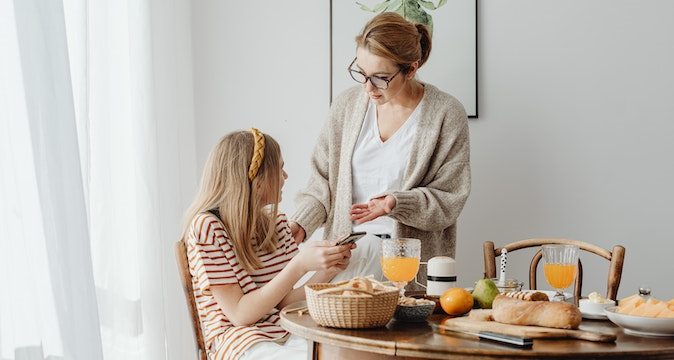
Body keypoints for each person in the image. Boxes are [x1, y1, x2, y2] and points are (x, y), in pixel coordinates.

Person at [290, 12, 471, 285]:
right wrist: (301, 224)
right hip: (346, 257)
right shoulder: (346, 107)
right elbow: (322, 182)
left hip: (407, 268)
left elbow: (449, 199)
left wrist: (397, 203)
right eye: (361, 73)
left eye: (380, 78)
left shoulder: (446, 113)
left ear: (411, 69)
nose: (367, 88)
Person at [181, 129, 355, 360]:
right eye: (279, 169)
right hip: (240, 341)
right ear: (256, 178)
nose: (285, 176)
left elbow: (284, 303)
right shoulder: (208, 227)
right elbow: (240, 315)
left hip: (286, 330)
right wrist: (299, 266)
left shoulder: (276, 225)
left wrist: (328, 269)